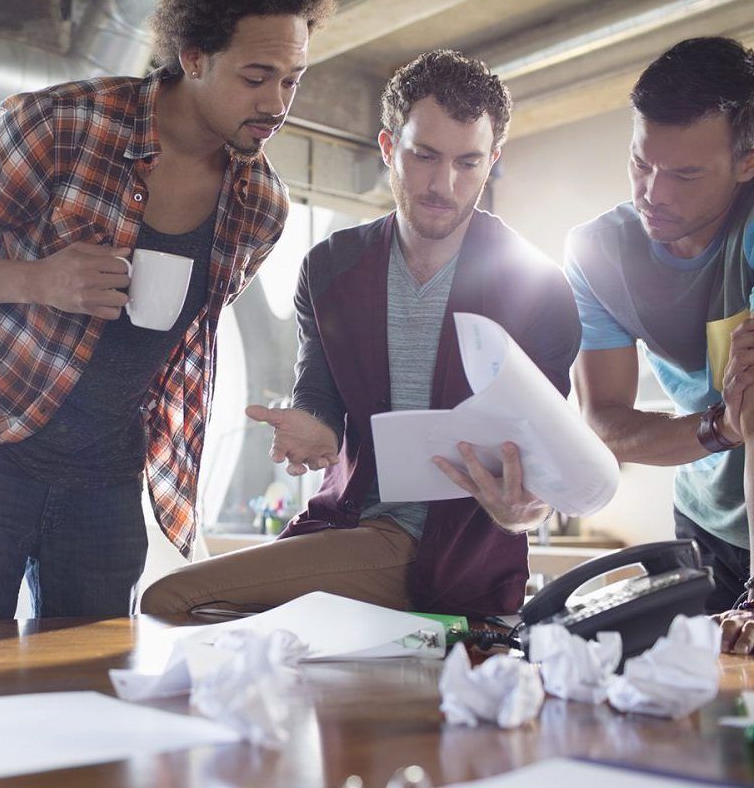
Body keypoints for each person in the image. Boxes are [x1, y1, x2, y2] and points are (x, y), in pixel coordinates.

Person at [0, 0, 339, 622]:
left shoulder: (261, 205)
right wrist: (37, 281)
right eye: (256, 77)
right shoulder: (64, 125)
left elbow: (172, 344)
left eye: (293, 80)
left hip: (106, 485)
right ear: (194, 57)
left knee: (91, 698)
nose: (276, 104)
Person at [141, 50, 582, 618]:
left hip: (452, 559)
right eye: (424, 156)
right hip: (347, 527)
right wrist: (311, 428)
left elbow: (540, 471)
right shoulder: (330, 267)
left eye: (468, 163)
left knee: (171, 598)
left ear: (492, 159)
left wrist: (520, 510)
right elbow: (319, 397)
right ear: (387, 147)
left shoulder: (540, 288)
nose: (443, 184)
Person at [565, 37, 754, 653]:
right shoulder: (598, 253)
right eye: (642, 163)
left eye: (685, 174)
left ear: (747, 161)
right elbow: (607, 423)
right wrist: (720, 428)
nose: (654, 192)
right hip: (705, 525)